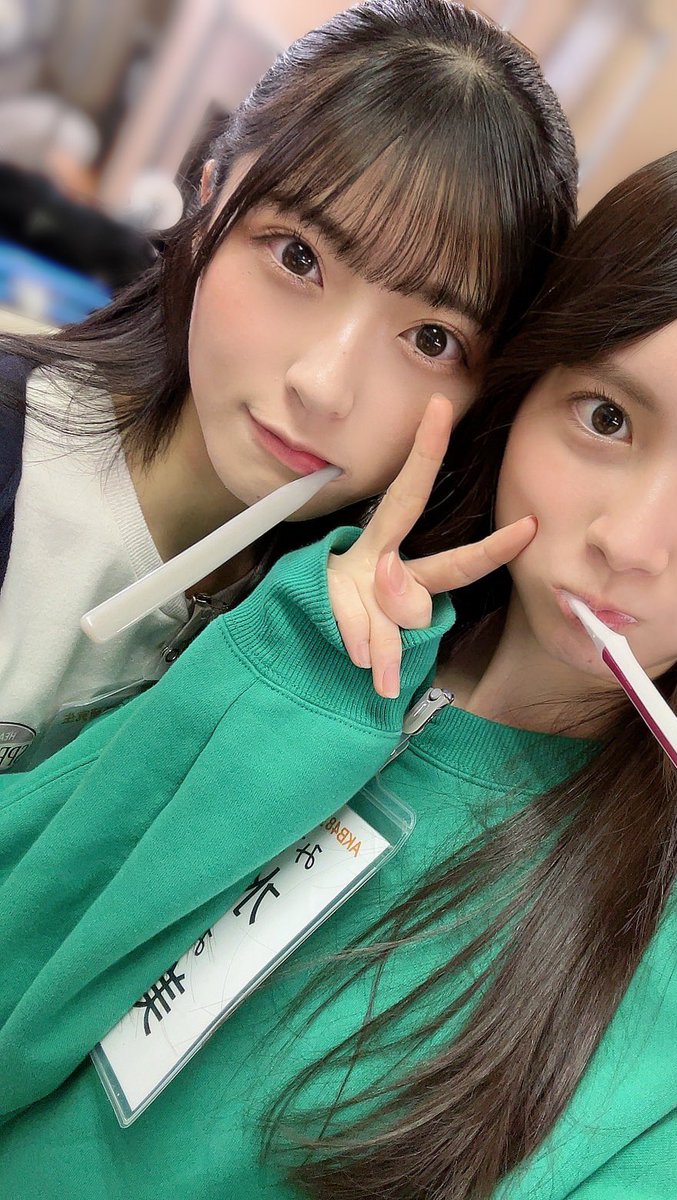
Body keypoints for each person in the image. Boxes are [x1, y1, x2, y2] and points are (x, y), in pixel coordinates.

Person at [0, 141, 677, 1199]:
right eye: (606, 418)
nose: (630, 541)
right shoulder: (293, 617)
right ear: (522, 395)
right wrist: (279, 680)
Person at [0, 0, 577, 771]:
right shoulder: (18, 462)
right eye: (297, 258)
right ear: (209, 198)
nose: (324, 385)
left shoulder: (357, 636)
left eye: (431, 340)